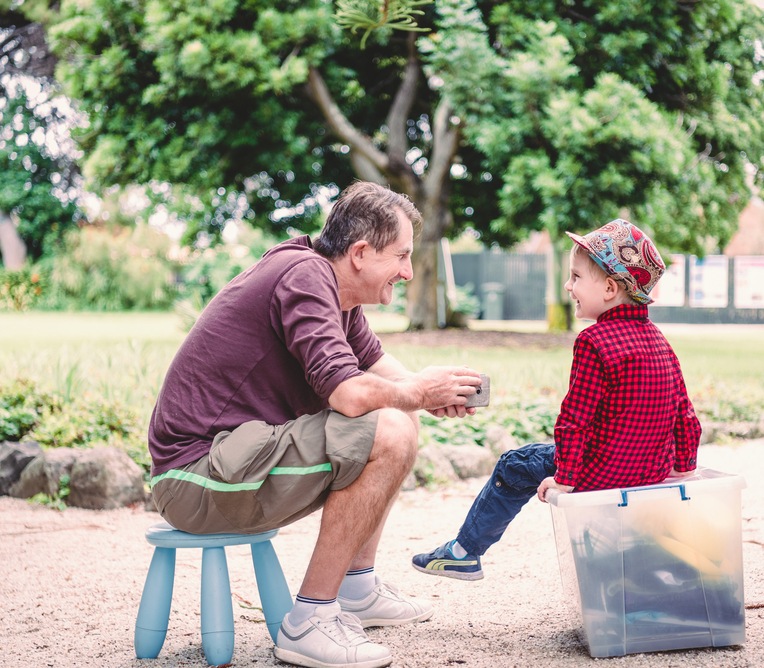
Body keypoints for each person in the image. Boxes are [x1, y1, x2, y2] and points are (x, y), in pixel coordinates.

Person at [147, 181, 483, 668]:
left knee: (398, 420)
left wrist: (429, 394)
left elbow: (381, 370)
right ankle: (310, 620)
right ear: (362, 253)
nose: (408, 272)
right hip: (195, 477)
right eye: (402, 256)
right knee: (386, 429)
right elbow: (349, 394)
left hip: (225, 463)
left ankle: (356, 588)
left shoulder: (331, 287)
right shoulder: (305, 276)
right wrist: (415, 393)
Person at [412, 219, 701, 581]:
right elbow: (685, 415)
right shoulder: (659, 340)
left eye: (576, 277)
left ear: (610, 288)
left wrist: (565, 478)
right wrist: (683, 466)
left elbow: (574, 422)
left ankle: (463, 552)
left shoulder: (594, 342)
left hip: (601, 472)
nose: (568, 285)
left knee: (514, 464)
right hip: (649, 470)